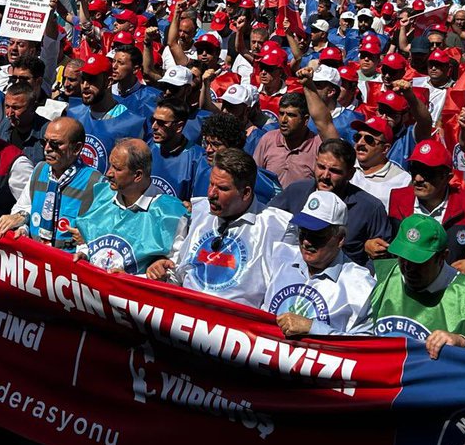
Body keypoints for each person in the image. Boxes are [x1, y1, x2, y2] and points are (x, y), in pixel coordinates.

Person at [146, 148, 290, 306]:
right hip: (186, 316)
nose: (211, 194)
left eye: (222, 188)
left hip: (234, 324)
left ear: (246, 193)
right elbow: (178, 274)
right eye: (211, 184)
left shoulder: (278, 227)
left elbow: (279, 297)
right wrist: (163, 272)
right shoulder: (198, 212)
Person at [367, 214, 465, 358]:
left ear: (443, 256)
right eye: (403, 258)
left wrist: (463, 343)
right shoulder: (384, 276)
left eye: (418, 262)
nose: (408, 268)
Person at [262, 190, 376, 336]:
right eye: (303, 232)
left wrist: (313, 329)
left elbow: (364, 348)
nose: (306, 242)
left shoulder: (361, 285)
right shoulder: (278, 258)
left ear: (340, 239)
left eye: (317, 235)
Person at [74, 138, 189, 274]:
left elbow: (176, 272)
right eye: (110, 165)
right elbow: (88, 240)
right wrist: (84, 253)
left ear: (138, 175)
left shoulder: (171, 215)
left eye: (117, 169)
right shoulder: (101, 194)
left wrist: (130, 280)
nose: (108, 173)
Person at [0, 116, 109, 251]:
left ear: (76, 148)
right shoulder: (39, 170)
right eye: (44, 142)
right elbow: (24, 207)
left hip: (68, 263)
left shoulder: (96, 182)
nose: (47, 149)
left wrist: (87, 240)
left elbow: (103, 232)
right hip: (35, 257)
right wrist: (23, 227)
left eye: (55, 144)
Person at [270, 138, 390, 268]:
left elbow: (382, 264)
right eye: (321, 167)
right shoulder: (296, 191)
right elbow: (267, 223)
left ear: (350, 173)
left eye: (335, 171)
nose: (325, 176)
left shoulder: (370, 208)